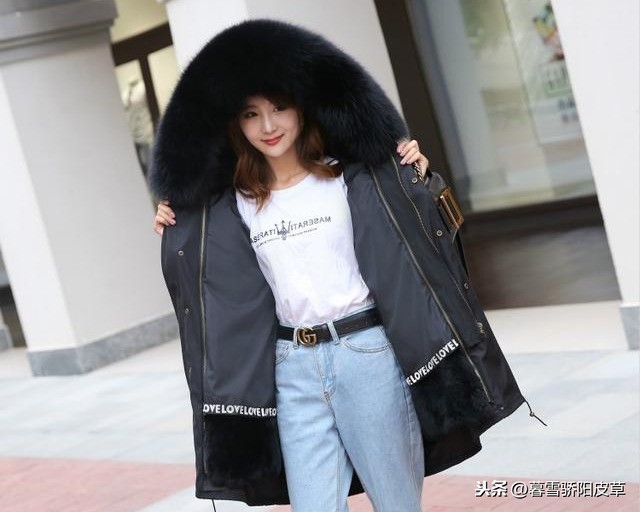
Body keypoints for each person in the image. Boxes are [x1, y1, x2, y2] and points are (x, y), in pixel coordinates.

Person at [147, 17, 543, 512]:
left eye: (279, 108)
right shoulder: (233, 206)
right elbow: (210, 279)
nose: (268, 126)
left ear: (301, 106)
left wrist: (419, 178)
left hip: (366, 353)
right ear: (236, 124)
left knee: (397, 504)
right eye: (251, 114)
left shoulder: (350, 178)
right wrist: (176, 226)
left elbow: (421, 234)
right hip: (292, 367)